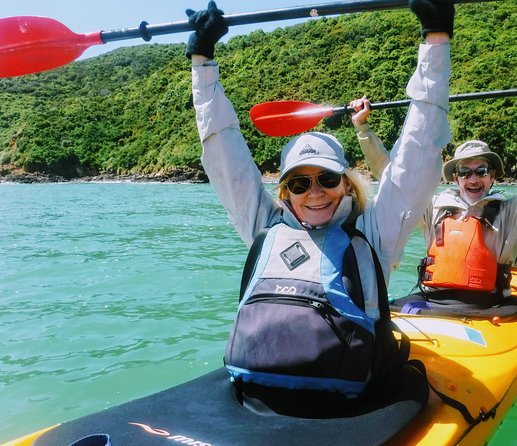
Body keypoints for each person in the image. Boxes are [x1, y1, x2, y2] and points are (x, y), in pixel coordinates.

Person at [187, 0, 454, 411]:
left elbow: (418, 150)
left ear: (346, 184)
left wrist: (436, 41)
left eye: (327, 178)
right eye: (299, 182)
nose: (314, 192)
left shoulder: (374, 231)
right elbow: (225, 156)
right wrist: (202, 63)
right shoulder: (264, 226)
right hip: (259, 392)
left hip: (348, 399)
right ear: (284, 191)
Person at [350, 74, 517, 313]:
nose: (473, 179)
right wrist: (362, 128)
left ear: (493, 176)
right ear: (456, 178)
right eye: (465, 172)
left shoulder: (513, 212)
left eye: (481, 171)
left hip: (490, 307)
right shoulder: (432, 208)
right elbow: (393, 177)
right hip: (433, 300)